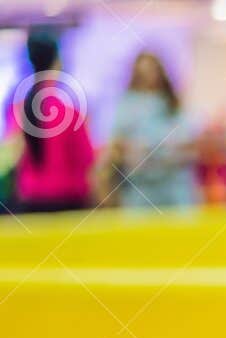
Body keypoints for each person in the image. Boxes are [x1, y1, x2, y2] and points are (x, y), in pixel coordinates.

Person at [4, 28, 94, 213]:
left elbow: (12, 155)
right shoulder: (70, 113)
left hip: (30, 201)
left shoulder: (17, 110)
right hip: (68, 202)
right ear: (58, 62)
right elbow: (86, 158)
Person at [106, 51, 197, 210]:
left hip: (174, 187)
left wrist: (172, 149)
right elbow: (116, 143)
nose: (148, 77)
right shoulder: (126, 105)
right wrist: (132, 150)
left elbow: (189, 143)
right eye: (143, 72)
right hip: (140, 188)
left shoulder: (173, 105)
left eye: (152, 71)